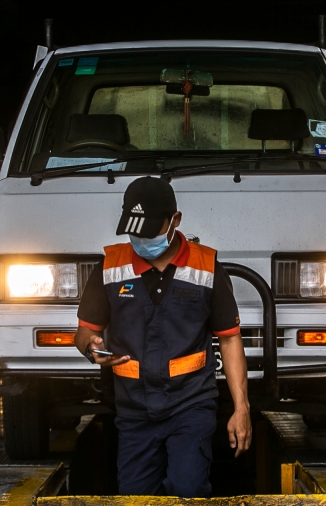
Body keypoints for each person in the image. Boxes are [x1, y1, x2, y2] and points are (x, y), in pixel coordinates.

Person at [74, 176, 252, 497]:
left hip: (191, 406)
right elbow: (86, 332)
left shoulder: (207, 267)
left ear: (175, 221)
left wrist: (242, 409)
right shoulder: (109, 268)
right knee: (134, 498)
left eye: (150, 229)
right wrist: (92, 348)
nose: (141, 238)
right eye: (134, 230)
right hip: (133, 411)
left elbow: (229, 339)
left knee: (188, 490)